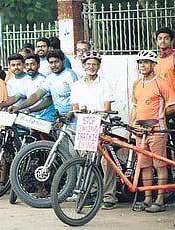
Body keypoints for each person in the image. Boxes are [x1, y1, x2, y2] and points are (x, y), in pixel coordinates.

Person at [128, 50, 175, 213]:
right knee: (144, 165)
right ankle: (147, 198)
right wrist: (130, 126)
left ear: (153, 65)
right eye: (140, 63)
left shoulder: (161, 83)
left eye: (146, 62)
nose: (143, 65)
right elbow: (135, 107)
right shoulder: (136, 83)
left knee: (160, 164)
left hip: (156, 130)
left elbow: (172, 105)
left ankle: (160, 199)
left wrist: (158, 119)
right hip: (140, 131)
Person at [70, 51, 116, 209]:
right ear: (83, 66)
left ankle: (109, 196)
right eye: (88, 64)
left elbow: (107, 108)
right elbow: (74, 108)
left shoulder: (104, 83)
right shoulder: (77, 85)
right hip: (84, 128)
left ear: (98, 66)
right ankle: (91, 193)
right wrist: (80, 113)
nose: (91, 67)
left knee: (105, 162)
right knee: (86, 161)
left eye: (94, 64)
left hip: (102, 127)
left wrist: (98, 117)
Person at [9, 49, 78, 116]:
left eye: (56, 62)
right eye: (51, 63)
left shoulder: (70, 74)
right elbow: (37, 95)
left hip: (73, 117)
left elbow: (76, 99)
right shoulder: (50, 78)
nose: (53, 65)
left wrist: (68, 117)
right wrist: (20, 107)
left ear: (63, 62)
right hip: (59, 117)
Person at [1, 54, 55, 121]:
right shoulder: (27, 80)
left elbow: (48, 101)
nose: (29, 67)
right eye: (27, 64)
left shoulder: (43, 80)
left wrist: (29, 109)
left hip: (46, 118)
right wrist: (0, 106)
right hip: (32, 118)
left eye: (32, 64)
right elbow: (17, 97)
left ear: (38, 65)